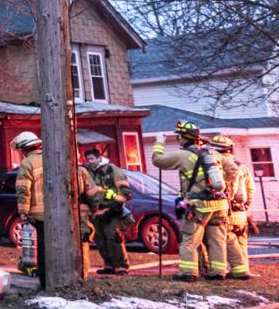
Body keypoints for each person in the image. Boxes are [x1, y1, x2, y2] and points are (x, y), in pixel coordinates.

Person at [151, 120, 228, 281]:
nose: (178, 138)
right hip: (220, 204)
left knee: (190, 239)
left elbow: (157, 160)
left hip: (199, 205)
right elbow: (231, 169)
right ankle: (219, 272)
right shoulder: (213, 154)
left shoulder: (182, 155)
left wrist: (159, 142)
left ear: (185, 138)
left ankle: (188, 273)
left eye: (179, 135)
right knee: (217, 239)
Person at [210, 134, 255, 280]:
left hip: (226, 211)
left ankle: (227, 270)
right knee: (242, 241)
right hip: (241, 213)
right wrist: (246, 205)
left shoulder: (216, 168)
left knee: (225, 241)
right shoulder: (242, 167)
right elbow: (251, 189)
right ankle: (242, 269)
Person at [83, 147, 133, 275]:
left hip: (112, 210)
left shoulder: (112, 170)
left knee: (113, 238)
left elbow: (125, 191)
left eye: (92, 159)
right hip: (96, 212)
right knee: (100, 239)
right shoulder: (87, 171)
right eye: (88, 159)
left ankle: (121, 266)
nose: (90, 161)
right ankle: (109, 265)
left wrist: (115, 207)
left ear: (99, 158)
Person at [12, 131, 45, 286]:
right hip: (59, 214)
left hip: (38, 215)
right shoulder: (51, 158)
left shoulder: (27, 164)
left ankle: (45, 283)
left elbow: (23, 190)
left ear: (24, 149)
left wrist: (23, 213)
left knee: (42, 251)